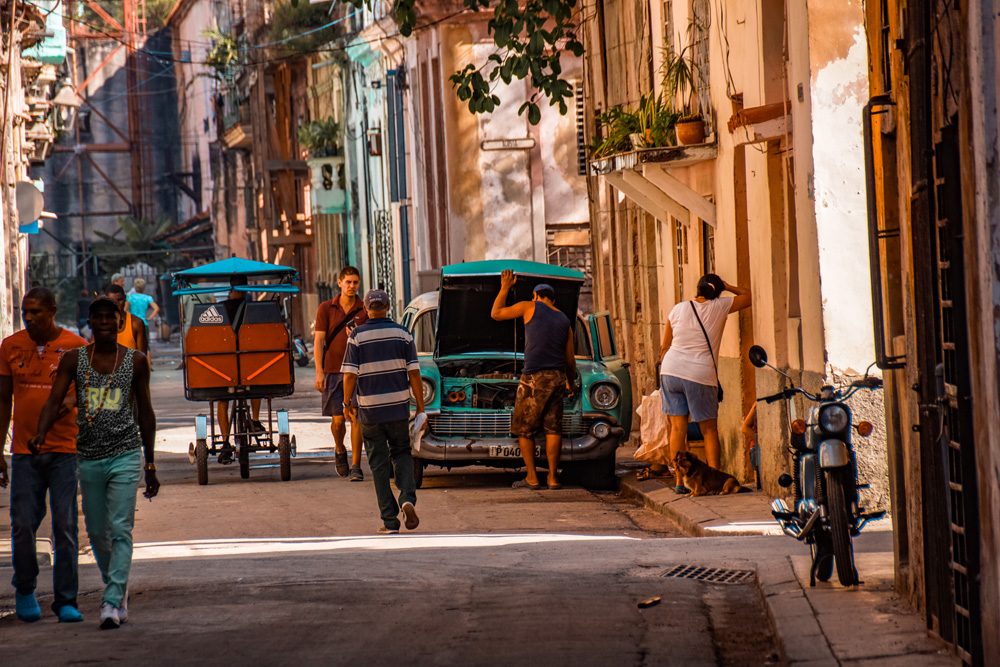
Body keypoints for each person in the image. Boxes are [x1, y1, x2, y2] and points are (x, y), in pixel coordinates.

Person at [30, 296, 159, 630]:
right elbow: (54, 399)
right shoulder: (74, 360)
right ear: (89, 321)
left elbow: (145, 413)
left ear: (120, 322)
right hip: (88, 457)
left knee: (120, 528)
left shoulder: (136, 361)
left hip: (126, 455)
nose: (103, 322)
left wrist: (151, 463)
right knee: (97, 532)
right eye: (97, 317)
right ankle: (117, 584)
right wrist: (40, 433)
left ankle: (113, 598)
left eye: (110, 317)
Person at [0, 287, 88, 623]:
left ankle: (66, 599)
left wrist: (71, 403)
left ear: (52, 310)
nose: (30, 317)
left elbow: (88, 392)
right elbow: (3, 399)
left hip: (65, 449)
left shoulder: (76, 346)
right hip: (23, 452)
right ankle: (25, 589)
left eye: (37, 311)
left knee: (64, 526)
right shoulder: (11, 346)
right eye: (26, 312)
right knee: (22, 524)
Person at [342, 289, 425, 534]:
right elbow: (414, 374)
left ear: (366, 309)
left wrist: (347, 403)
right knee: (402, 454)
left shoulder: (357, 336)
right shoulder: (403, 334)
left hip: (370, 412)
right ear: (388, 308)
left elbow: (349, 375)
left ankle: (390, 522)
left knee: (378, 464)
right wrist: (420, 406)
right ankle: (407, 498)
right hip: (398, 408)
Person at [659, 273, 752, 493]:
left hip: (670, 370)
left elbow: (664, 347)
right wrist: (728, 286)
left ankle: (680, 483)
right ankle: (715, 481)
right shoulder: (720, 306)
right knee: (709, 430)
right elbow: (749, 297)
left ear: (698, 289)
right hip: (699, 373)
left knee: (677, 429)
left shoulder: (678, 308)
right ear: (717, 293)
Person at [491, 271, 577, 490]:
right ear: (553, 300)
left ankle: (531, 477)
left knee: (524, 429)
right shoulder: (564, 320)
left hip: (533, 378)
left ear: (535, 296)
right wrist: (571, 383)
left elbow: (496, 314)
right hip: (557, 378)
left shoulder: (530, 306)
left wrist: (504, 288)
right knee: (553, 429)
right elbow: (569, 360)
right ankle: (552, 478)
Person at [314, 266, 369, 480]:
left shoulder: (364, 310)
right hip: (332, 372)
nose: (352, 286)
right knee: (337, 421)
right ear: (340, 283)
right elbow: (319, 341)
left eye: (355, 282)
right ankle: (339, 450)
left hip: (357, 373)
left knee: (356, 417)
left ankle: (356, 465)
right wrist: (319, 372)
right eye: (348, 282)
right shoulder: (326, 308)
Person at [215, 277, 262, 462]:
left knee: (221, 399)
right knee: (259, 381)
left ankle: (225, 442)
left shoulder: (219, 308)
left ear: (230, 289)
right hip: (248, 362)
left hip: (224, 364)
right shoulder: (254, 308)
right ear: (245, 289)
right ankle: (255, 421)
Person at [104, 284, 148, 355]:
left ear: (125, 299)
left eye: (119, 300)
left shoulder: (136, 323)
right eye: (112, 301)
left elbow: (142, 356)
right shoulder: (99, 324)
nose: (116, 304)